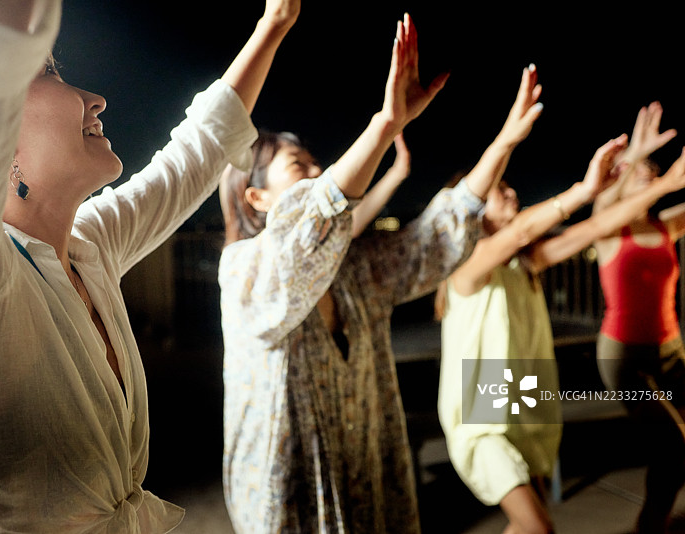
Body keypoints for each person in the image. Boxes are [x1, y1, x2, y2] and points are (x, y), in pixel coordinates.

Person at [0, 0, 299, 531]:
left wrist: (274, 22)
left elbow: (199, 150)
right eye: (48, 72)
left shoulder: (88, 245)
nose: (96, 99)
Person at [217, 25, 559, 529]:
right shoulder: (243, 272)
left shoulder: (353, 269)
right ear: (257, 198)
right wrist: (385, 124)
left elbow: (433, 240)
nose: (317, 173)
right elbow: (311, 226)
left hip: (367, 495)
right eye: (298, 167)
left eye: (316, 163)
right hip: (289, 508)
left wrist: (504, 142)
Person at [436, 122, 685, 532]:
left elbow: (594, 228)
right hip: (481, 419)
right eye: (500, 189)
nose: (511, 193)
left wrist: (658, 187)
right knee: (539, 527)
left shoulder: (524, 266)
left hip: (519, 405)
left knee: (527, 527)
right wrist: (592, 190)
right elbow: (521, 231)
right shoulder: (467, 270)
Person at [594, 102, 685, 534]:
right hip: (624, 358)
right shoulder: (610, 230)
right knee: (673, 446)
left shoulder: (665, 225)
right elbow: (602, 206)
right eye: (640, 169)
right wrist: (634, 154)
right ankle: (650, 526)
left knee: (675, 449)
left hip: (671, 350)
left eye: (653, 166)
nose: (649, 170)